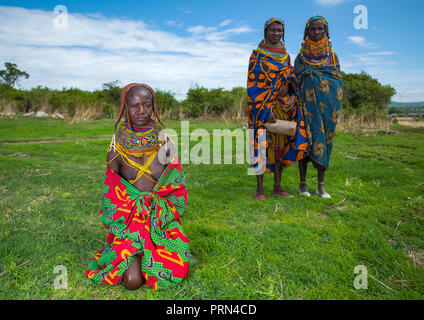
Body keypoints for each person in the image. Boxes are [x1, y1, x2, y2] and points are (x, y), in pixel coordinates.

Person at [86, 83, 195, 290]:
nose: (141, 111)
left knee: (179, 269)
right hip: (130, 222)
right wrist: (132, 213)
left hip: (159, 219)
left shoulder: (166, 144)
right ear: (125, 108)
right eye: (135, 106)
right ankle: (137, 253)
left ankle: (151, 250)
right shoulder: (116, 148)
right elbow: (110, 195)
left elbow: (177, 188)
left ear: (154, 107)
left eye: (147, 105)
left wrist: (157, 209)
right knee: (133, 282)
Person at [247, 18, 309, 201]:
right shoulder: (257, 56)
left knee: (280, 147)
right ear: (265, 31)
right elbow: (253, 86)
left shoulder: (285, 56)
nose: (276, 34)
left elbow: (290, 80)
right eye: (273, 30)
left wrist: (291, 95)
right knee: (260, 146)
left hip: (283, 108)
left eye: (279, 31)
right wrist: (266, 110)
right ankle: (259, 190)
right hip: (262, 110)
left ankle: (277, 187)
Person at [294, 16, 343, 198]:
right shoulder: (300, 58)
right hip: (306, 108)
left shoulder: (332, 56)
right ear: (307, 32)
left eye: (320, 29)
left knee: (325, 142)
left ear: (325, 31)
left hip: (327, 109)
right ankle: (302, 184)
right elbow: (296, 81)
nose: (316, 32)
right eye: (312, 29)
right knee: (306, 142)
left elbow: (337, 83)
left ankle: (321, 186)